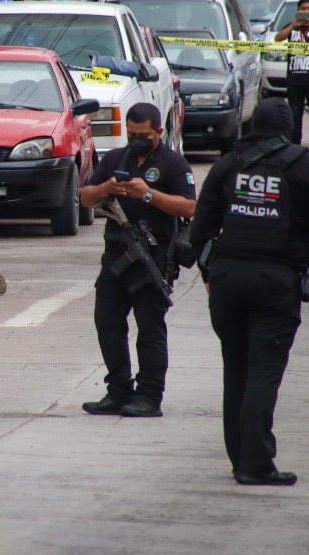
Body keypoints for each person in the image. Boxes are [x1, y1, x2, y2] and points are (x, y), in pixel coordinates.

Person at [189, 97, 309, 486]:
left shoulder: (228, 164)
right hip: (276, 283)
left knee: (237, 369)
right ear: (289, 128)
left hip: (227, 281)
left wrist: (210, 273)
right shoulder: (306, 165)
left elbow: (199, 229)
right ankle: (256, 464)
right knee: (263, 371)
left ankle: (240, 456)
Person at [79, 103, 196, 418]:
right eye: (131, 134)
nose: (136, 140)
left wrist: (148, 194)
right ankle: (118, 392)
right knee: (107, 324)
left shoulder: (173, 163)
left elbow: (188, 208)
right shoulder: (118, 158)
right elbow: (84, 197)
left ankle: (148, 396)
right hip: (116, 257)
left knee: (150, 330)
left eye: (143, 135)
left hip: (152, 258)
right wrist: (107, 188)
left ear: (158, 131)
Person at [273, 0, 309, 157]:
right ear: (298, 10)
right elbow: (278, 38)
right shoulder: (293, 27)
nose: (306, 12)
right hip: (295, 78)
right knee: (295, 113)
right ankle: (294, 144)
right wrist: (294, 24)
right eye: (303, 9)